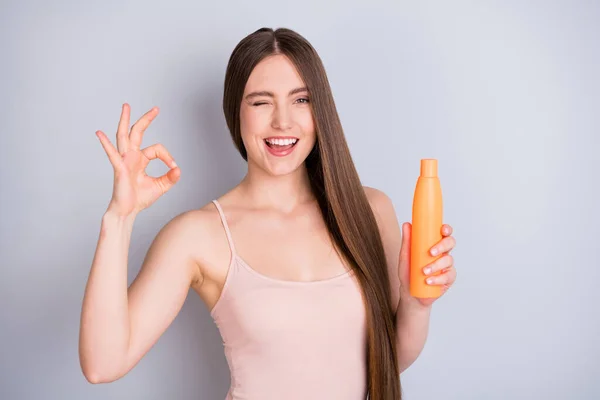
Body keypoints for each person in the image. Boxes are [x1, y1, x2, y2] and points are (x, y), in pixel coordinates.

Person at [79, 27, 457, 400]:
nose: (282, 122)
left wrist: (415, 304)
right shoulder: (198, 236)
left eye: (301, 100)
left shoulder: (369, 212)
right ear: (235, 113)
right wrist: (119, 217)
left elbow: (388, 362)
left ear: (320, 109)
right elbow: (103, 364)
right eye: (261, 102)